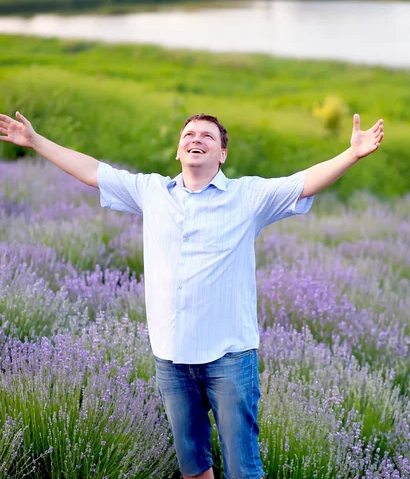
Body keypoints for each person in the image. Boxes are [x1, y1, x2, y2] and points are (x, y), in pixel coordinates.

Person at [0, 110, 384, 479]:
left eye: (206, 136)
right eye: (188, 135)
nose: (195, 139)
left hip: (229, 358)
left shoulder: (247, 196)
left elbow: (304, 181)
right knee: (193, 466)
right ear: (179, 150)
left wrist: (351, 154)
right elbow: (90, 171)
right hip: (171, 357)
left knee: (243, 469)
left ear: (222, 153)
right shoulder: (151, 192)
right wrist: (34, 141)